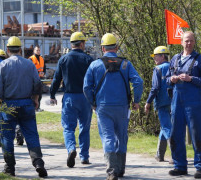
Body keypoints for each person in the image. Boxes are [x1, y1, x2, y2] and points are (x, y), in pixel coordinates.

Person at [83, 33, 143, 180]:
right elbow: (138, 82)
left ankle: (111, 172)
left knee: (108, 137)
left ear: (103, 48)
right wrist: (136, 100)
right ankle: (121, 169)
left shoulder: (95, 64)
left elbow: (86, 87)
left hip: (103, 107)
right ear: (116, 47)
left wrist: (93, 103)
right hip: (122, 106)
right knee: (121, 136)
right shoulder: (125, 64)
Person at [0, 36, 47, 177]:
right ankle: (38, 163)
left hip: (8, 105)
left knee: (7, 136)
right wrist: (35, 99)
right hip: (26, 104)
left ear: (7, 50)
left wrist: (0, 102)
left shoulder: (3, 65)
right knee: (31, 134)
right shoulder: (30, 64)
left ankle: (9, 167)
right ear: (21, 49)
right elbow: (37, 84)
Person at [166, 31, 201, 179]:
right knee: (175, 135)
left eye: (191, 41)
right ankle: (180, 166)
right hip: (177, 102)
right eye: (186, 41)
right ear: (181, 42)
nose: (189, 43)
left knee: (197, 135)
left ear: (194, 42)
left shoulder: (200, 59)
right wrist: (171, 79)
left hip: (193, 103)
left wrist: (191, 78)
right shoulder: (175, 59)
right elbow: (166, 79)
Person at [49, 32, 94, 168]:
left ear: (71, 44)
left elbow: (57, 79)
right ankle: (84, 157)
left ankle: (71, 149)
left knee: (68, 127)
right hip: (85, 97)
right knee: (84, 127)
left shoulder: (63, 59)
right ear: (81, 44)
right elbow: (95, 80)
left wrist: (52, 94)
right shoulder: (89, 60)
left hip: (69, 97)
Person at [144, 46, 172, 162]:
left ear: (162, 56)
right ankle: (159, 155)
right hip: (173, 101)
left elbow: (155, 88)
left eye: (156, 56)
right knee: (164, 127)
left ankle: (176, 156)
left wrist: (148, 102)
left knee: (167, 127)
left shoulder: (158, 69)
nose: (154, 59)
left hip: (162, 102)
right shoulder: (173, 67)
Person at [29, 46, 46, 112]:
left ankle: (38, 107)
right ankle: (33, 108)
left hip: (40, 79)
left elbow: (44, 68)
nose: (38, 51)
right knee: (33, 94)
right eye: (37, 50)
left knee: (39, 94)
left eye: (39, 50)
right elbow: (29, 69)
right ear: (34, 51)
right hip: (33, 80)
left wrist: (43, 73)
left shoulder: (42, 59)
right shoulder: (31, 59)